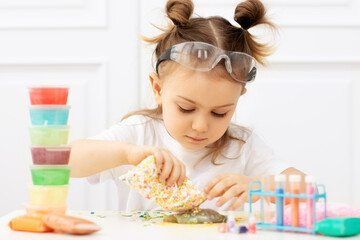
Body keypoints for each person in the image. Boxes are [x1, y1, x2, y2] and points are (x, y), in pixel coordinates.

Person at [69, 0, 305, 211]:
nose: (201, 126)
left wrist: (262, 185)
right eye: (186, 108)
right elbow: (62, 161)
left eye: (220, 113)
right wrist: (128, 154)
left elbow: (308, 191)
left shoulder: (242, 146)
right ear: (158, 89)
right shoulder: (139, 134)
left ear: (238, 98)